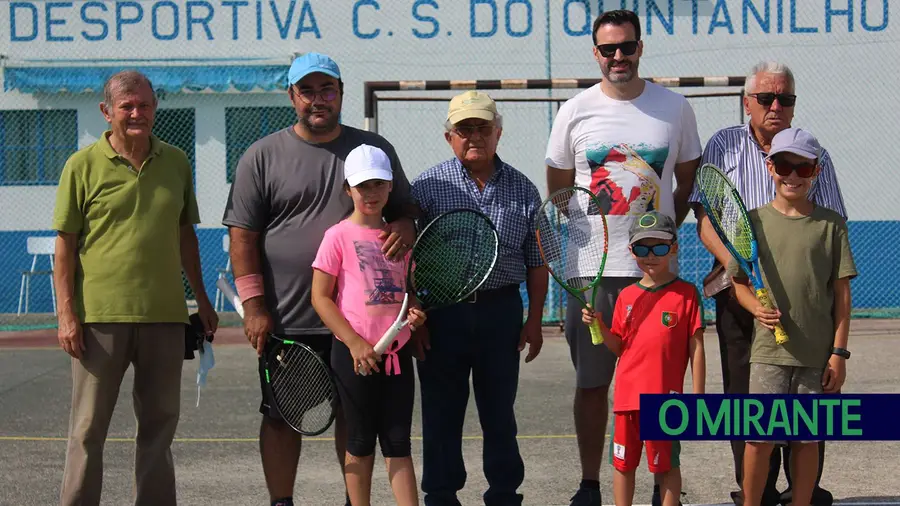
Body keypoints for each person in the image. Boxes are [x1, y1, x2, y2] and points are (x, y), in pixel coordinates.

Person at [222, 52, 418, 506]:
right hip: (288, 319)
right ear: (292, 96)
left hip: (361, 326)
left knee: (356, 419)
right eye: (307, 90)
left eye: (326, 89)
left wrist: (405, 228)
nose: (318, 99)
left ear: (341, 94)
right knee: (280, 418)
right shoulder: (261, 156)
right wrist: (254, 307)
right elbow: (243, 238)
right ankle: (281, 501)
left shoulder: (373, 149)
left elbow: (406, 210)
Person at [543, 9, 702, 506]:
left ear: (640, 48)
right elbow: (560, 185)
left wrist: (660, 232)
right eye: (608, 49)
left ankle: (661, 485)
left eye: (626, 47)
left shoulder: (674, 108)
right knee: (593, 385)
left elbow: (688, 176)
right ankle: (592, 483)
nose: (618, 57)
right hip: (591, 273)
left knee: (657, 390)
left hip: (652, 274)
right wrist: (591, 234)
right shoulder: (574, 110)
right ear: (595, 53)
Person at [53, 70, 218, 506]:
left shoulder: (177, 162)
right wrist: (67, 314)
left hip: (165, 317)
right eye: (126, 106)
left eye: (144, 105)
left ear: (154, 109)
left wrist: (201, 299)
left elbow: (186, 237)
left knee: (159, 428)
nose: (136, 113)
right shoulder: (81, 166)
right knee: (88, 429)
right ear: (106, 112)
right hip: (99, 320)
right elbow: (65, 249)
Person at [689, 62, 847, 506]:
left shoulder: (815, 155)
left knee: (807, 400)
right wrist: (735, 263)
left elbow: (831, 223)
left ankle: (803, 492)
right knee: (746, 399)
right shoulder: (725, 144)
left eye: (786, 99)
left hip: (801, 303)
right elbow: (705, 219)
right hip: (739, 294)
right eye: (766, 98)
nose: (776, 106)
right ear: (747, 102)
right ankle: (754, 491)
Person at [411, 90, 548, 506]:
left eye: (482, 128)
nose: (474, 136)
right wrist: (415, 314)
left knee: (499, 414)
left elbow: (536, 261)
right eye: (464, 129)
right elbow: (407, 260)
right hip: (442, 315)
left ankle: (504, 492)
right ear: (448, 136)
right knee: (440, 414)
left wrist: (534, 320)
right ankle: (440, 493)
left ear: (498, 133)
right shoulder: (426, 187)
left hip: (501, 313)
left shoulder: (523, 188)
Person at [724, 128, 856, 506]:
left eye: (804, 167)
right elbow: (738, 284)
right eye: (785, 165)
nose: (793, 175)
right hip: (769, 352)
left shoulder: (832, 225)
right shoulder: (752, 223)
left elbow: (842, 297)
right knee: (758, 439)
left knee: (806, 438)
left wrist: (838, 354)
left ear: (816, 171)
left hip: (817, 357)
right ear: (770, 167)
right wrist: (755, 307)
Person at [310, 144, 427, 506]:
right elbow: (321, 298)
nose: (371, 193)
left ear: (391, 186)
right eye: (362, 186)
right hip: (354, 358)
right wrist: (354, 343)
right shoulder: (337, 236)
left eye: (378, 184)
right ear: (348, 189)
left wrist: (416, 313)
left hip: (395, 357)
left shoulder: (400, 239)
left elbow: (409, 291)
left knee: (399, 445)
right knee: (359, 446)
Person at [582, 211, 706, 506]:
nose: (651, 256)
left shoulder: (687, 294)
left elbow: (697, 348)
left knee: (666, 467)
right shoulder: (626, 296)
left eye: (660, 247)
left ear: (674, 248)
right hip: (627, 400)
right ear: (631, 251)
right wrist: (598, 325)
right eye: (642, 248)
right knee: (623, 466)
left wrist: (698, 397)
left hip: (665, 402)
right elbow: (618, 346)